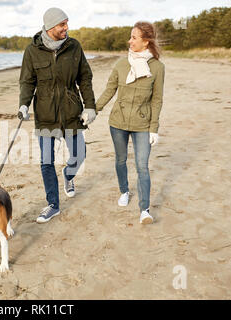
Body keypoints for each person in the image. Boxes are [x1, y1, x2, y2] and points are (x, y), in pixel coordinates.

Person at [18, 7, 96, 223]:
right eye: (62, 24)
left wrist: (90, 106)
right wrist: (23, 105)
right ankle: (53, 204)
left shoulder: (74, 47)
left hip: (72, 111)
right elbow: (27, 81)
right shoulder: (32, 51)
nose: (66, 28)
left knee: (79, 155)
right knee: (46, 161)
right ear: (51, 27)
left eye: (67, 23)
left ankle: (69, 175)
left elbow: (85, 78)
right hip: (45, 113)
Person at [96, 21, 165, 225]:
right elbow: (109, 91)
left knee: (142, 166)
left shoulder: (158, 68)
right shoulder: (121, 64)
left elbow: (157, 99)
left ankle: (144, 209)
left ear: (146, 41)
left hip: (142, 125)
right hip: (118, 122)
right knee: (120, 160)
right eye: (130, 36)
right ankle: (124, 190)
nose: (130, 41)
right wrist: (93, 110)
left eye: (134, 37)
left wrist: (154, 128)